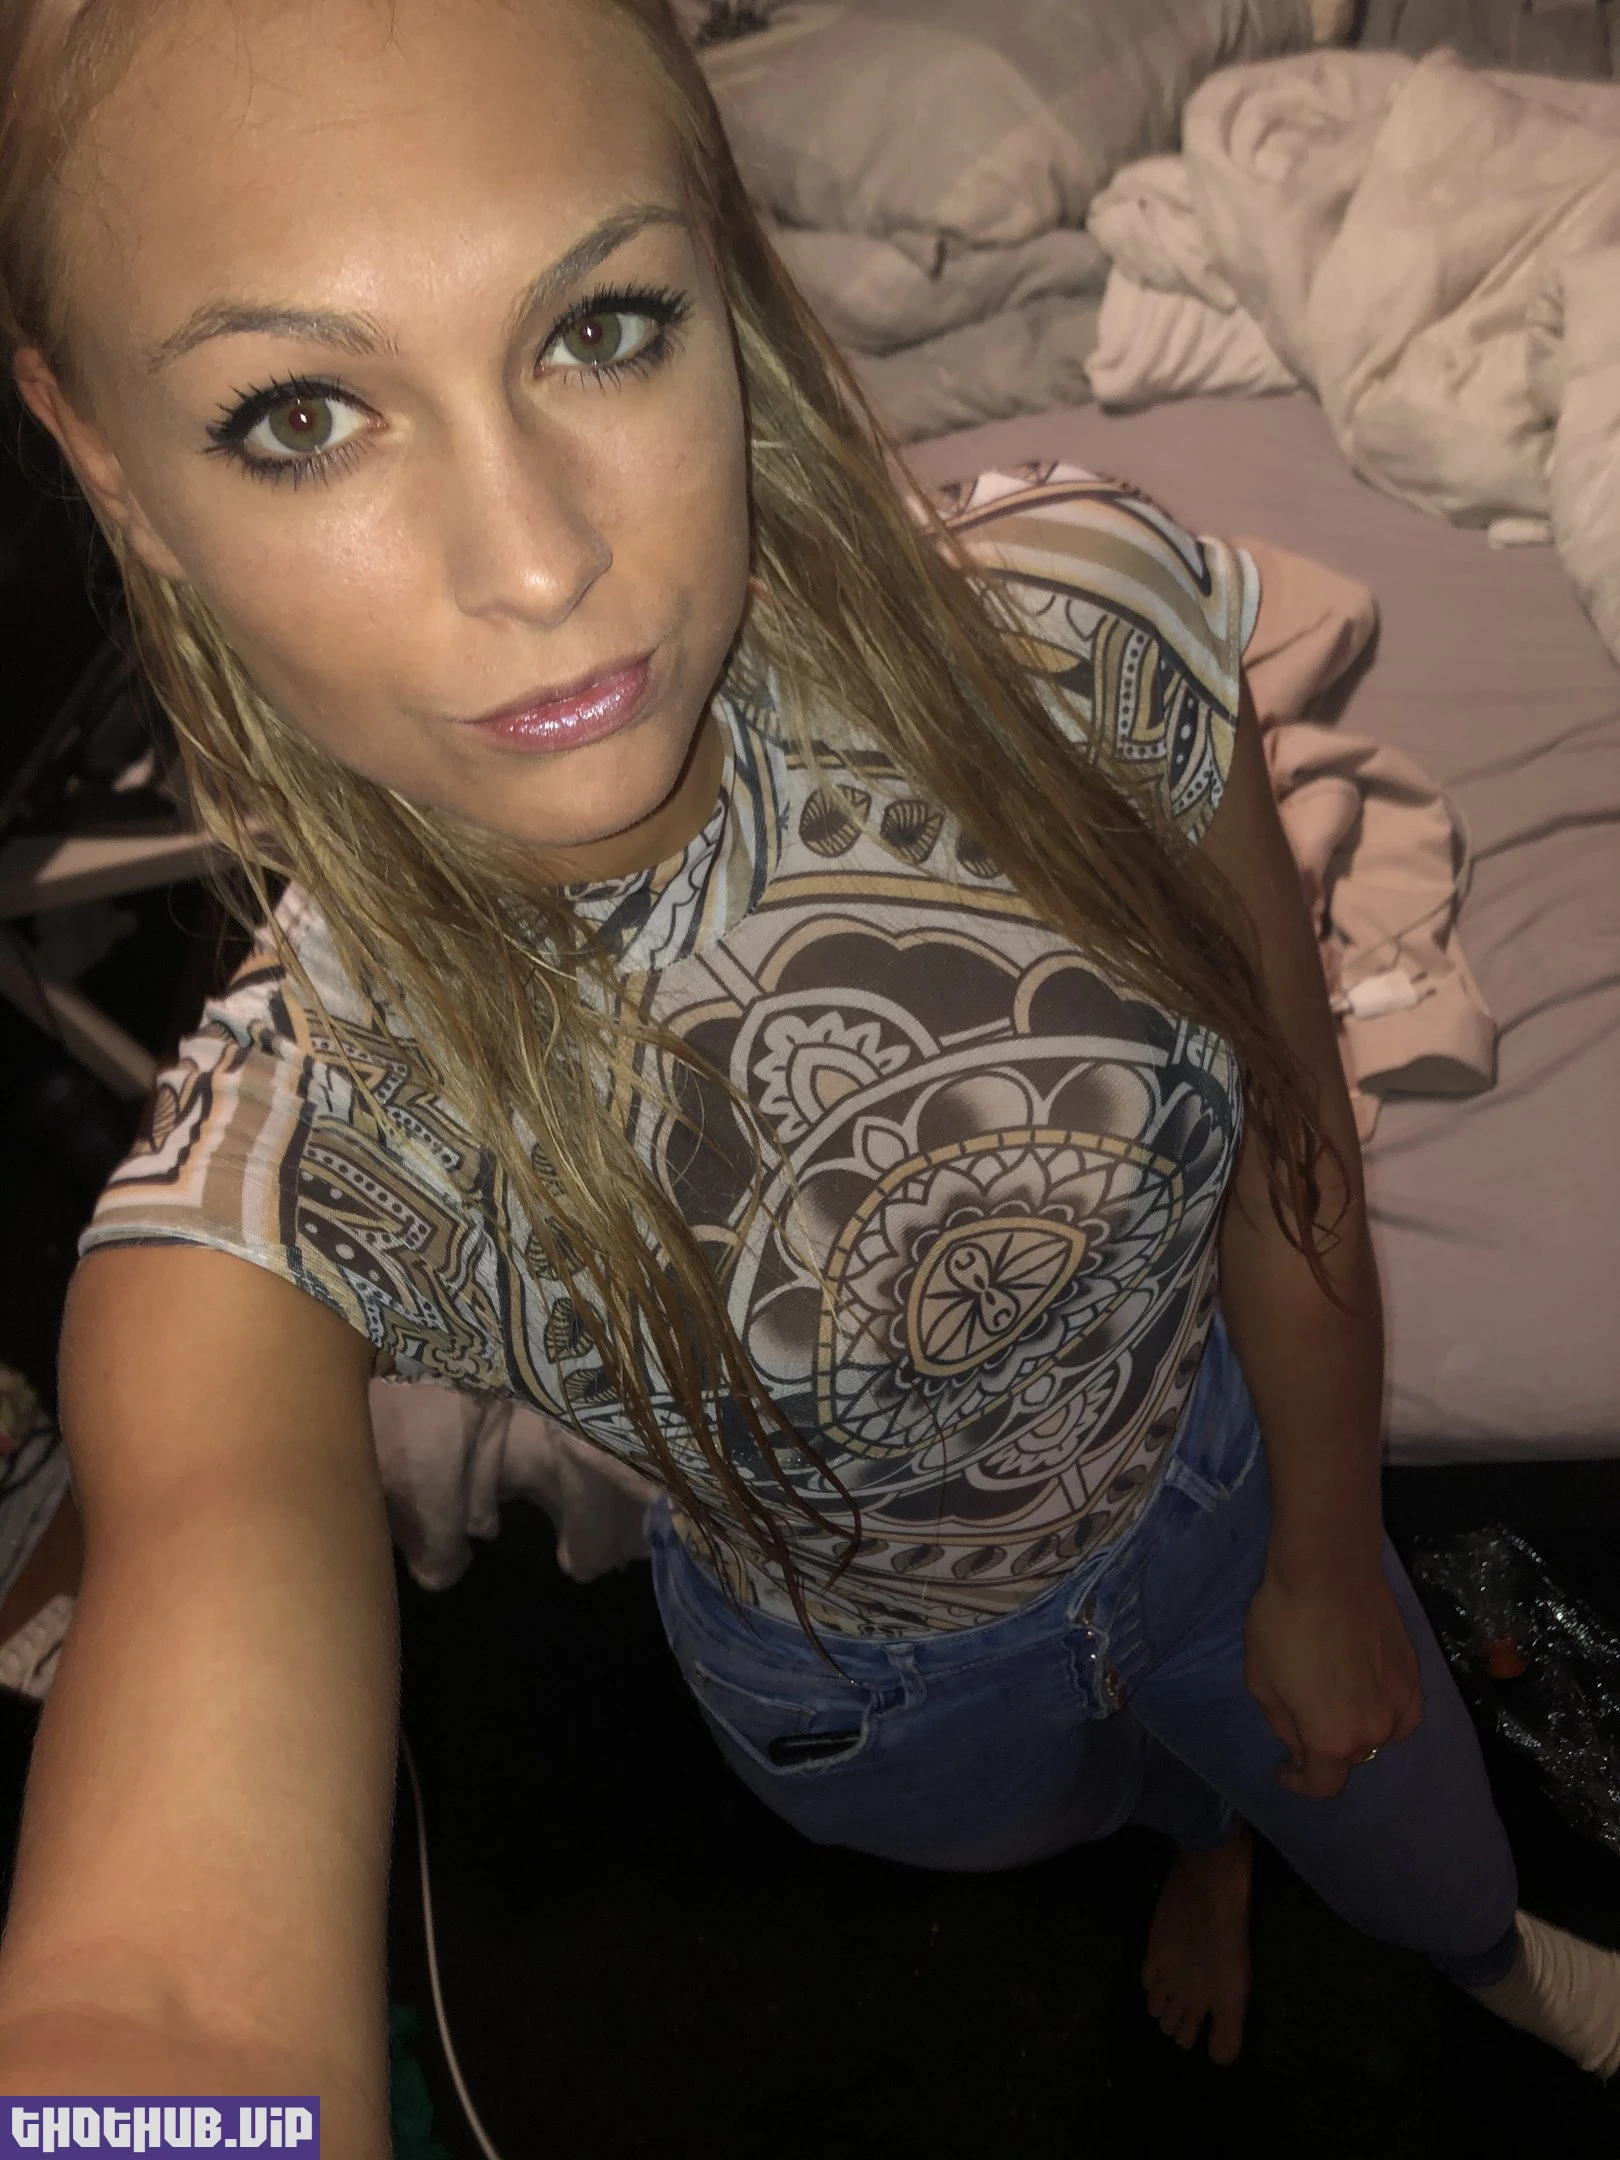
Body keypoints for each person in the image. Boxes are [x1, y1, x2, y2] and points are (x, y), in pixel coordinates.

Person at [0, 0, 1615, 2148]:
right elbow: (171, 2001)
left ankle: (1453, 1942)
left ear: (724, 275)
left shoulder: (1081, 648)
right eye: (302, 414)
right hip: (872, 1702)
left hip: (1231, 1494)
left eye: (600, 326)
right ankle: (1191, 1838)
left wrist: (1322, 1555)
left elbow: (1290, 1131)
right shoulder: (295, 1166)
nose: (538, 560)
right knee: (1076, 1818)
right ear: (108, 456)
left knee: (1414, 1841)